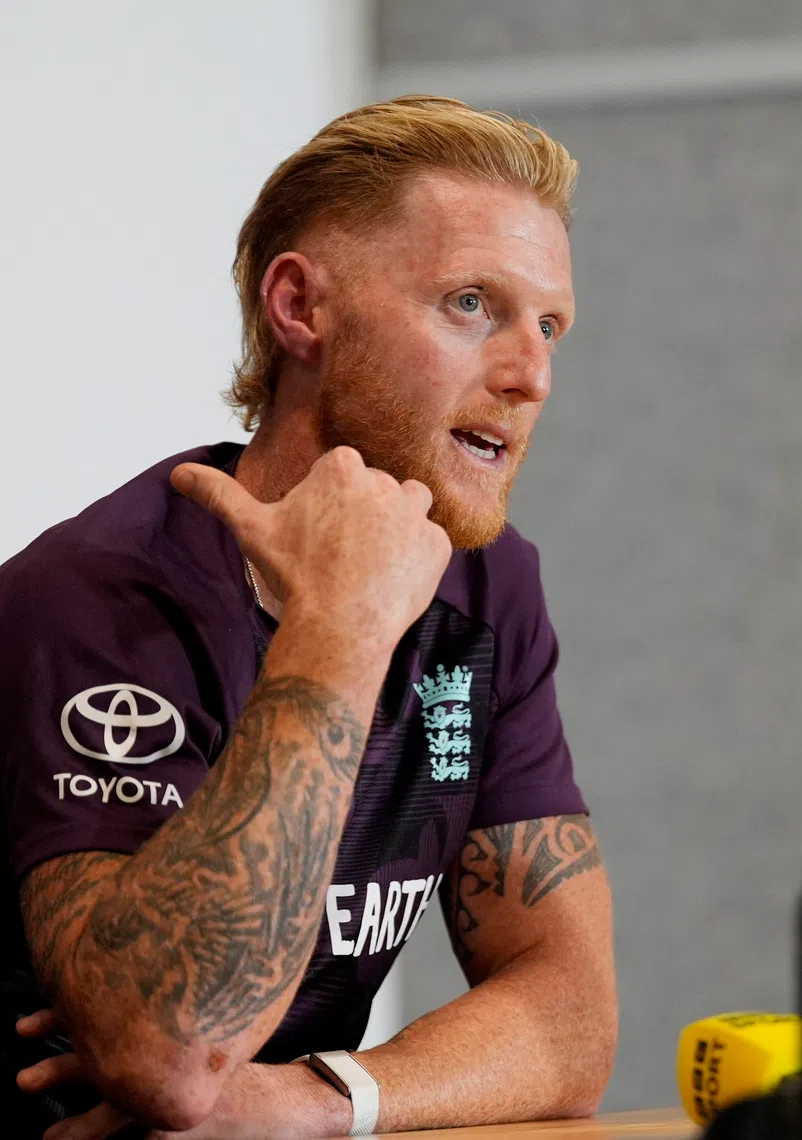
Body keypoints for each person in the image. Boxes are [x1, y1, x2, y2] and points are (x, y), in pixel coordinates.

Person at [0, 96, 617, 1138]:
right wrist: (341, 628)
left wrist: (316, 1101)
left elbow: (569, 1016)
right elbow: (170, 1058)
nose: (531, 376)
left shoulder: (488, 588)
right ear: (301, 310)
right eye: (472, 304)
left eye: (549, 325)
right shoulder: (99, 592)